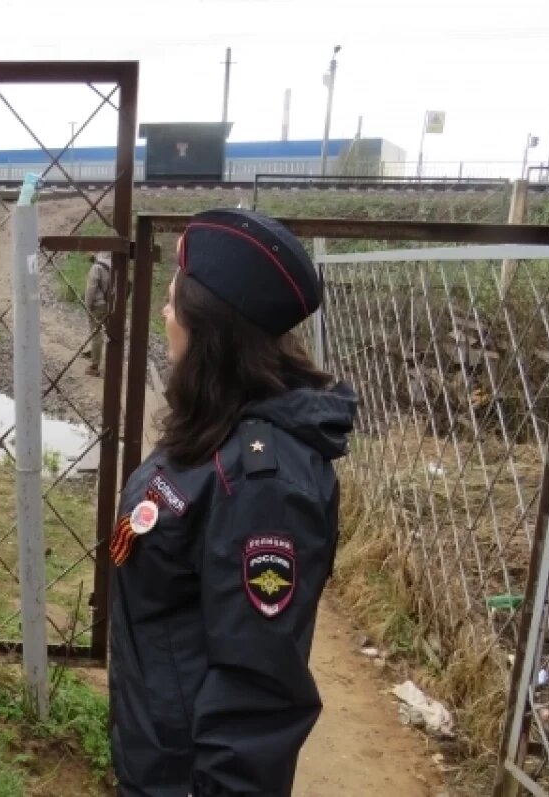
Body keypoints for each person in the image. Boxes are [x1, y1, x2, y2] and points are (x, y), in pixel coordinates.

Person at [108, 208, 358, 796]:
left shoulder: (262, 485)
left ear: (208, 324)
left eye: (173, 300)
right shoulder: (214, 425)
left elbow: (255, 696)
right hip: (159, 759)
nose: (165, 313)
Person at [83, 252, 113, 377]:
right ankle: (111, 364)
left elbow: (91, 289)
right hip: (109, 304)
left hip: (97, 305)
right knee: (110, 333)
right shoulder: (112, 265)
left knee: (96, 334)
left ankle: (94, 366)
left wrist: (87, 305)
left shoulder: (96, 268)